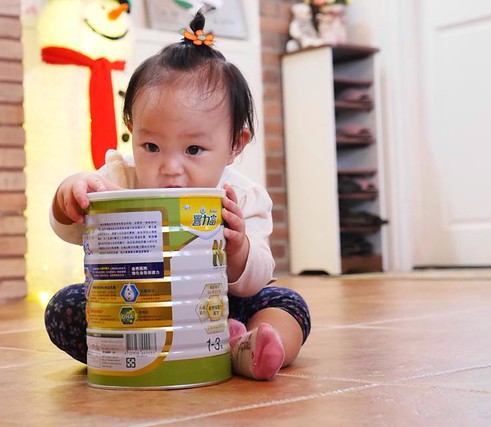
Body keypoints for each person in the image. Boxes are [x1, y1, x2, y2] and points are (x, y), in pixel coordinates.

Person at [44, 9, 311, 381]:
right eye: (151, 146)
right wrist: (69, 195)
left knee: (286, 303)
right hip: (138, 306)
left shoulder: (241, 197)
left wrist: (238, 249)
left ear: (235, 144)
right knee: (65, 306)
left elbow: (256, 277)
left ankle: (244, 346)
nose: (170, 168)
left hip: (222, 306)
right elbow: (69, 229)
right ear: (131, 129)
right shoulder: (119, 178)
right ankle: (137, 350)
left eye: (193, 150)